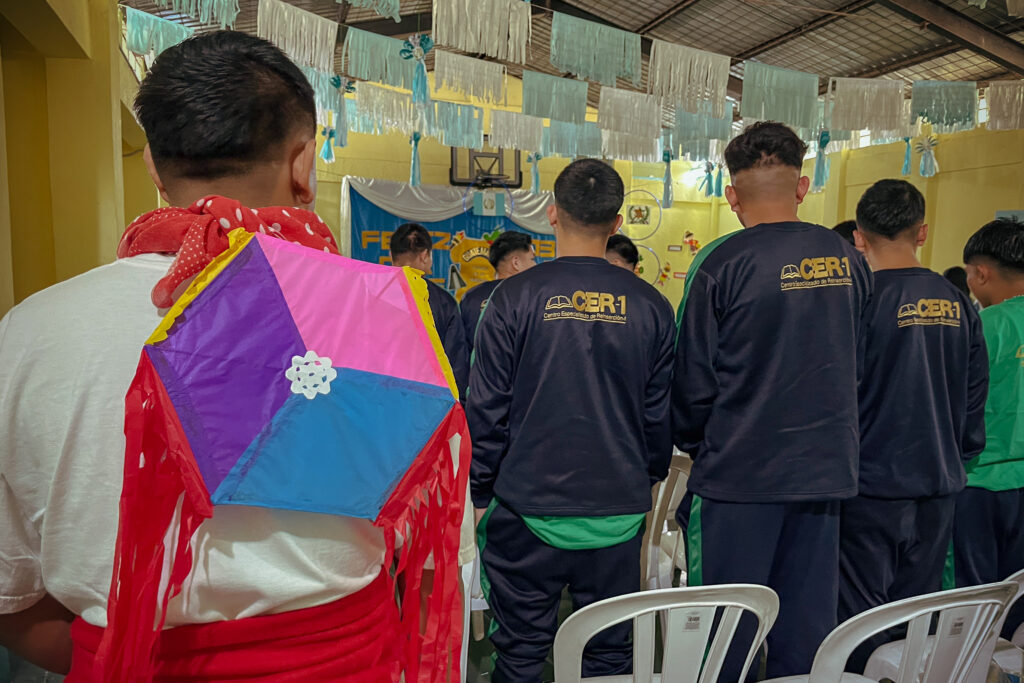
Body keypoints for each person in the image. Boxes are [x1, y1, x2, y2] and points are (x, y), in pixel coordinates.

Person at [0, 32, 426, 680]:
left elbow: (12, 598)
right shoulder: (381, 314)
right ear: (303, 162)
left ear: (152, 163)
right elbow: (422, 550)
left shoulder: (29, 329)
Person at [672, 121, 873, 680]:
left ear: (731, 195)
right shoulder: (847, 259)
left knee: (726, 634)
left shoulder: (722, 264)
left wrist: (703, 444)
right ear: (802, 186)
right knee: (804, 634)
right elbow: (862, 360)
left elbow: (692, 383)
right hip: (825, 473)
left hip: (739, 478)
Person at [468, 159, 675, 682]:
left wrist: (479, 492)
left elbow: (486, 408)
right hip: (617, 509)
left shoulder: (511, 298)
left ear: (552, 213)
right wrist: (645, 479)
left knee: (519, 652)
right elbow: (657, 414)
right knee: (608, 655)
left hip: (525, 505)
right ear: (618, 221)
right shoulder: (651, 306)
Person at [838, 180, 987, 670]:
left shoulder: (858, 300)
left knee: (859, 620)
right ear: (922, 232)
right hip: (937, 484)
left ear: (859, 237)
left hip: (869, 486)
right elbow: (973, 395)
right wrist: (956, 457)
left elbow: (840, 392)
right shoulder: (959, 301)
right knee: (913, 617)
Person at [949, 217, 1024, 637]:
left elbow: (957, 400)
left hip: (980, 483)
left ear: (980, 273)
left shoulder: (984, 326)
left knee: (976, 599)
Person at [391, 222, 471, 397]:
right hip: (429, 398)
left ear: (391, 254)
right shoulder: (443, 302)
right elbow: (455, 362)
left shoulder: (373, 293)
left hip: (382, 395)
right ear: (425, 255)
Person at [459, 230, 535, 354]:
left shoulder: (471, 296)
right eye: (532, 259)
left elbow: (462, 348)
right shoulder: (529, 298)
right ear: (516, 263)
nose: (535, 265)